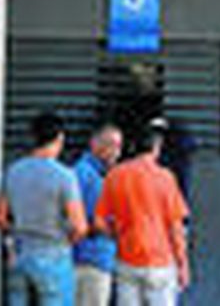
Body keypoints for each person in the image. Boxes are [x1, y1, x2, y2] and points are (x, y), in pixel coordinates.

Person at [0, 111, 87, 306]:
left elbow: (0, 218)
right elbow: (80, 226)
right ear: (59, 138)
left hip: (20, 253)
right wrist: (66, 242)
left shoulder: (13, 170)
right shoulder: (65, 176)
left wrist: (16, 235)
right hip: (54, 253)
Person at [93, 127, 189, 306]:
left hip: (127, 261)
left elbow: (99, 222)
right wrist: (183, 265)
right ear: (156, 148)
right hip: (160, 263)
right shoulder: (166, 178)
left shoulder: (114, 176)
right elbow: (175, 227)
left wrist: (119, 235)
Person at [73, 125, 123, 306]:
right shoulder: (86, 174)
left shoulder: (98, 174)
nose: (116, 152)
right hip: (90, 261)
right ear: (94, 144)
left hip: (94, 259)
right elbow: (89, 221)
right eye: (111, 145)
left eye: (119, 146)